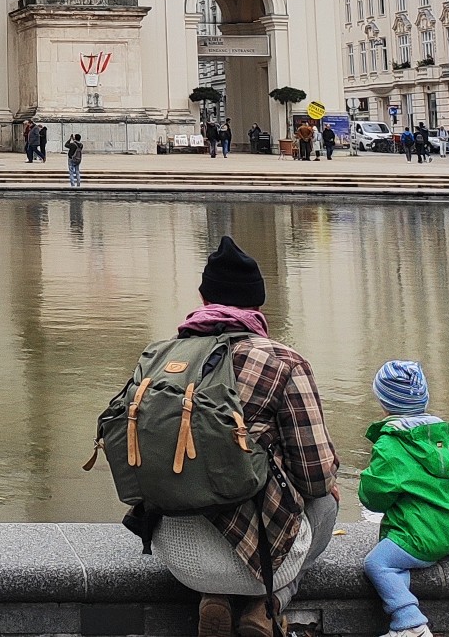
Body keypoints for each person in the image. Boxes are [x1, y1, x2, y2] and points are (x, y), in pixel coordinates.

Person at [150, 238, 340, 637]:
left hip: (178, 554)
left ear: (203, 297)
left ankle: (212, 600)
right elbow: (316, 477)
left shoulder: (161, 358)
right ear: (258, 304)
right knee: (326, 501)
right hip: (265, 564)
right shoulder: (283, 361)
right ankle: (267, 606)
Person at [359, 360, 449, 637]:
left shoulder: (392, 443)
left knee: (378, 563)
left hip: (418, 535)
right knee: (396, 561)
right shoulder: (445, 436)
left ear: (383, 401)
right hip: (448, 527)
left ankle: (410, 624)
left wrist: (366, 483)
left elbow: (374, 498)